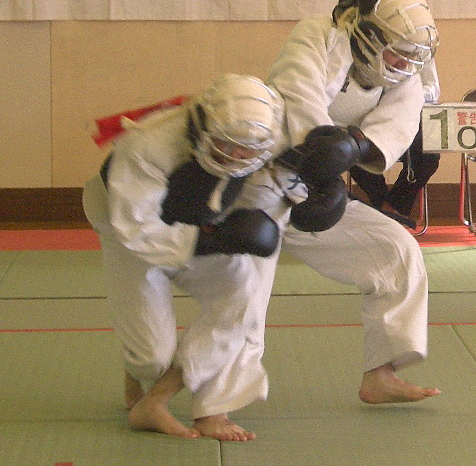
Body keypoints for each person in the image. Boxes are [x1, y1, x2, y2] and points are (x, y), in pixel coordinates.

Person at [82, 74, 349, 441]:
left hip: (201, 217)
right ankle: (137, 367)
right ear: (203, 128)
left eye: (249, 150)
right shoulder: (147, 146)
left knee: (242, 292)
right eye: (227, 144)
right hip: (125, 226)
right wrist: (216, 240)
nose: (239, 156)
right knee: (151, 357)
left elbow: (311, 152)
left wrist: (329, 185)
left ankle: (154, 402)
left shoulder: (270, 129)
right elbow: (135, 229)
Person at [267, 0, 441, 403]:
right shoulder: (318, 35)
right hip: (264, 178)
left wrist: (357, 148)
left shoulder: (407, 74)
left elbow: (395, 130)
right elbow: (299, 96)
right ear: (368, 35)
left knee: (396, 249)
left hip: (322, 189)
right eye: (397, 51)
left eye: (412, 56)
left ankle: (380, 374)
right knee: (242, 289)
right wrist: (324, 169)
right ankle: (151, 380)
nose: (403, 63)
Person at [348, 59, 441, 228]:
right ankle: (385, 207)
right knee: (354, 149)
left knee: (429, 156)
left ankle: (391, 209)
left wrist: (404, 94)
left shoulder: (421, 51)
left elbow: (433, 89)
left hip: (405, 117)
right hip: (363, 119)